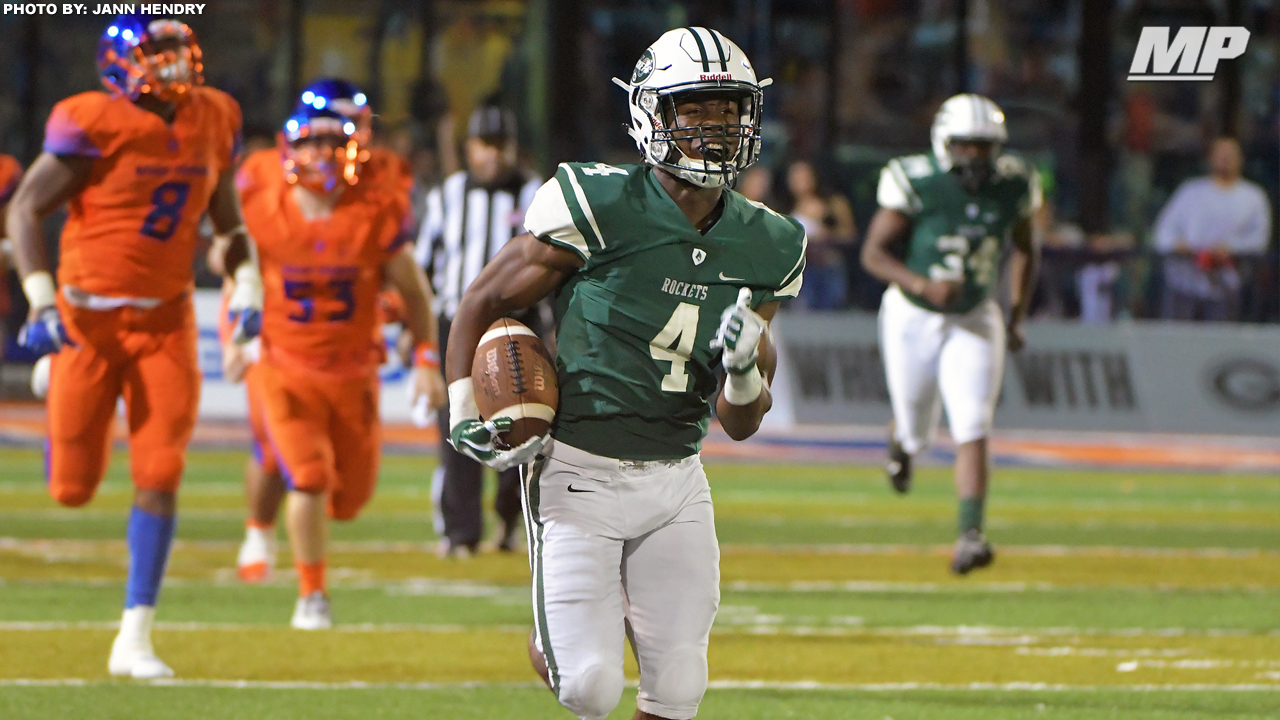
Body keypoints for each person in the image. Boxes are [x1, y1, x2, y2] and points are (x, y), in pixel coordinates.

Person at [445, 27, 804, 720]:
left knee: (677, 692)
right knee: (588, 686)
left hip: (676, 477)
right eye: (694, 109)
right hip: (579, 469)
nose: (717, 128)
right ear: (651, 114)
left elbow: (742, 423)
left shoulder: (769, 243)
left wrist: (740, 372)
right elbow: (483, 300)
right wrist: (462, 404)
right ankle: (555, 639)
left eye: (729, 109)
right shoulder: (599, 203)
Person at [5, 14, 250, 678]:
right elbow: (25, 208)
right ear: (120, 63)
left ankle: (134, 635)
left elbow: (226, 217)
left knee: (161, 470)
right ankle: (56, 380)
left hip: (165, 322)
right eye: (157, 52)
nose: (173, 64)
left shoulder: (213, 115)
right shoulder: (91, 120)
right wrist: (38, 297)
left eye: (178, 51)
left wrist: (248, 282)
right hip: (86, 322)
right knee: (71, 490)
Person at [215, 79, 447, 629]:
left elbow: (413, 290)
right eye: (309, 143)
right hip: (283, 364)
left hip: (353, 367)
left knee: (350, 498)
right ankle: (311, 592)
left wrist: (426, 361)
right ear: (286, 148)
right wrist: (238, 336)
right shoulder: (260, 194)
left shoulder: (375, 201)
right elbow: (231, 269)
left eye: (333, 141)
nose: (321, 154)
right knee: (309, 476)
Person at [860, 93, 1040, 575]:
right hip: (913, 313)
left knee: (973, 422)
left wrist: (1015, 314)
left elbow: (1025, 249)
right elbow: (873, 253)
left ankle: (970, 534)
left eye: (985, 146)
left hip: (975, 314)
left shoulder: (1015, 184)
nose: (976, 156)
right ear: (944, 143)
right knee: (917, 428)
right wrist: (922, 284)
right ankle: (901, 440)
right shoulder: (917, 181)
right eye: (966, 145)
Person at [415, 104, 546, 557]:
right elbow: (423, 270)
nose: (492, 156)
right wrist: (421, 339)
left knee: (523, 425)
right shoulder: (447, 195)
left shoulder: (535, 194)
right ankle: (460, 534)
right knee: (458, 427)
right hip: (457, 325)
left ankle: (512, 523)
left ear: (513, 148)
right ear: (469, 148)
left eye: (500, 145)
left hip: (517, 325)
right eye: (483, 145)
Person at [1153, 137, 1271, 321]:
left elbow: (1259, 240)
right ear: (1211, 158)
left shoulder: (1253, 197)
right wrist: (1177, 244)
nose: (1224, 160)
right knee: (1176, 342)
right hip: (1185, 283)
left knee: (1219, 344)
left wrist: (1231, 248)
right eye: (1220, 155)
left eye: (1230, 156)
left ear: (1240, 160)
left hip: (1225, 287)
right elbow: (1162, 231)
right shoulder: (1190, 191)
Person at [784, 160, 856, 310]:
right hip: (801, 271)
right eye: (795, 177)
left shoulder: (833, 203)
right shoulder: (785, 208)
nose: (800, 181)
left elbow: (849, 235)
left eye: (804, 175)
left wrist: (826, 234)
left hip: (829, 267)